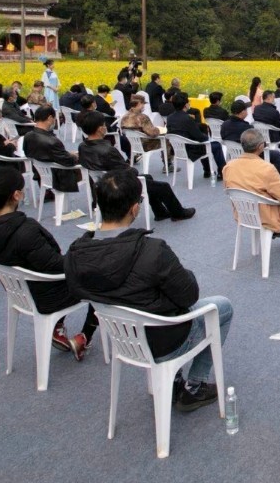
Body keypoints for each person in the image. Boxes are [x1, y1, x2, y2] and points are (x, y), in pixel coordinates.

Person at [65, 168, 233, 409]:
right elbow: (188, 295)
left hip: (123, 338)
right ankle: (194, 387)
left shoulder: (76, 253)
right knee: (222, 307)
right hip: (163, 338)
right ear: (134, 209)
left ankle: (174, 379)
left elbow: (78, 291)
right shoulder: (152, 251)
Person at [0, 167, 98, 360]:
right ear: (17, 195)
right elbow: (59, 267)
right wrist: (82, 247)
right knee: (104, 275)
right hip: (46, 294)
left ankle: (58, 326)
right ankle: (84, 337)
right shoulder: (24, 231)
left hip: (19, 291)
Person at [78, 112, 195, 222]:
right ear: (100, 129)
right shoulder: (108, 150)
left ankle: (160, 212)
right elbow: (127, 172)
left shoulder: (82, 146)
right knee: (164, 186)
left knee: (148, 177)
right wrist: (133, 170)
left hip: (103, 183)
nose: (105, 127)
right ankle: (178, 213)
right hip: (118, 185)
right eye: (104, 125)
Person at [223, 130, 280, 253]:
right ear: (261, 146)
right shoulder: (266, 168)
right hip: (265, 215)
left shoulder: (228, 167)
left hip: (243, 213)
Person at [223, 100, 280, 183]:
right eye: (246, 110)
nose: (247, 112)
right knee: (276, 154)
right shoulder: (246, 127)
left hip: (234, 155)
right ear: (242, 112)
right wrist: (265, 144)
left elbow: (224, 138)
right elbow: (257, 143)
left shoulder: (224, 125)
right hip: (250, 155)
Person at [165, 93, 226, 179]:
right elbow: (200, 137)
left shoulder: (170, 117)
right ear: (185, 105)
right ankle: (221, 172)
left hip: (177, 148)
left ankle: (207, 170)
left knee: (204, 143)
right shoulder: (187, 118)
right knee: (215, 145)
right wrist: (208, 138)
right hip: (190, 149)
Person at [23, 106, 80, 192]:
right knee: (88, 166)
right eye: (54, 118)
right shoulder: (53, 141)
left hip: (41, 174)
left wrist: (67, 154)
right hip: (58, 177)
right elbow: (69, 162)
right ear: (50, 118)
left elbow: (28, 154)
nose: (55, 121)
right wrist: (76, 156)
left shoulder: (27, 136)